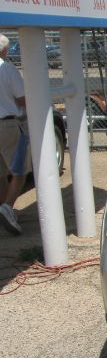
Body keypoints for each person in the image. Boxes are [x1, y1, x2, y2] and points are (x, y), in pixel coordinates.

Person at [0, 33, 29, 235]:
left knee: (1, 173)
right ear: (5, 50)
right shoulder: (8, 69)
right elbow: (22, 99)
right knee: (19, 171)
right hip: (7, 124)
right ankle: (7, 207)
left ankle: (4, 208)